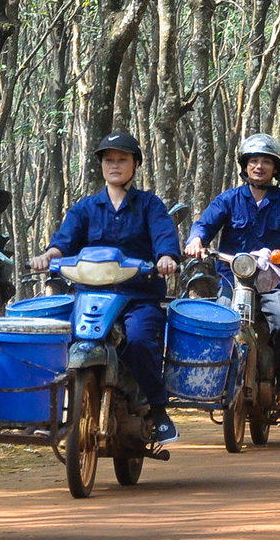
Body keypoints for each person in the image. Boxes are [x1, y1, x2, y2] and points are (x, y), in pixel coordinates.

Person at [31, 132, 182, 444]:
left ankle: (158, 410)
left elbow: (164, 237)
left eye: (122, 159)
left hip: (138, 296)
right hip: (90, 296)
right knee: (61, 343)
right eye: (109, 159)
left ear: (135, 164)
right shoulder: (85, 208)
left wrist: (166, 257)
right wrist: (49, 256)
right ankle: (54, 413)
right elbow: (64, 241)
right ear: (101, 165)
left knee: (140, 340)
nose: (115, 165)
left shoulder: (150, 205)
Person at [185, 134, 280, 395]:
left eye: (266, 162)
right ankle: (214, 384)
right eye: (253, 161)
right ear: (245, 166)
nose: (259, 166)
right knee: (220, 324)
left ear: (275, 169)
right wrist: (196, 240)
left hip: (271, 280)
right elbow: (205, 223)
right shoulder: (229, 199)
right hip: (232, 279)